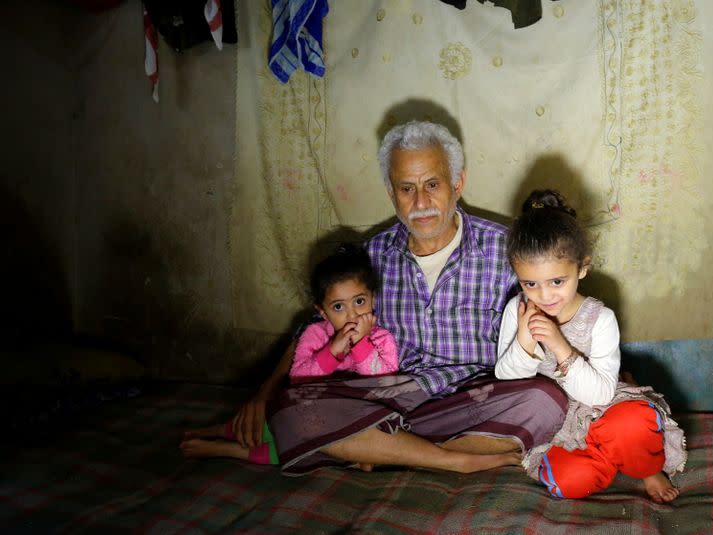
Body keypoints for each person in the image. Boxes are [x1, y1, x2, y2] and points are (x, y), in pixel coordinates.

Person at [230, 120, 570, 475]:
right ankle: (451, 459)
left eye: (432, 185)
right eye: (406, 189)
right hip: (388, 398)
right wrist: (265, 391)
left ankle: (381, 449)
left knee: (547, 403)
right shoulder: (372, 257)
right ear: (392, 194)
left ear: (458, 183)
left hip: (476, 396)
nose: (421, 202)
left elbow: (559, 309)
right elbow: (315, 327)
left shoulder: (506, 249)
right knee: (292, 406)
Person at [495, 189, 686, 502]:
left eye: (557, 281)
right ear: (518, 275)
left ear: (582, 267)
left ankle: (646, 467)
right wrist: (524, 341)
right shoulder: (518, 311)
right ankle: (614, 459)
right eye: (530, 283)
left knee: (633, 425)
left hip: (605, 407)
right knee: (568, 482)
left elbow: (600, 394)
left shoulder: (600, 318)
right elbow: (506, 380)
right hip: (556, 424)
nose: (544, 296)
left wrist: (560, 347)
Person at [181, 244, 399, 464]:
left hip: (344, 415)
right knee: (277, 421)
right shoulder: (315, 334)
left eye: (359, 302)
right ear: (322, 311)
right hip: (309, 408)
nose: (352, 315)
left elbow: (383, 381)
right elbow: (299, 377)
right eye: (338, 307)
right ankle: (218, 431)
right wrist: (332, 351)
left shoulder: (382, 339)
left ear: (373, 299)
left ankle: (225, 450)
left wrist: (361, 344)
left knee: (300, 451)